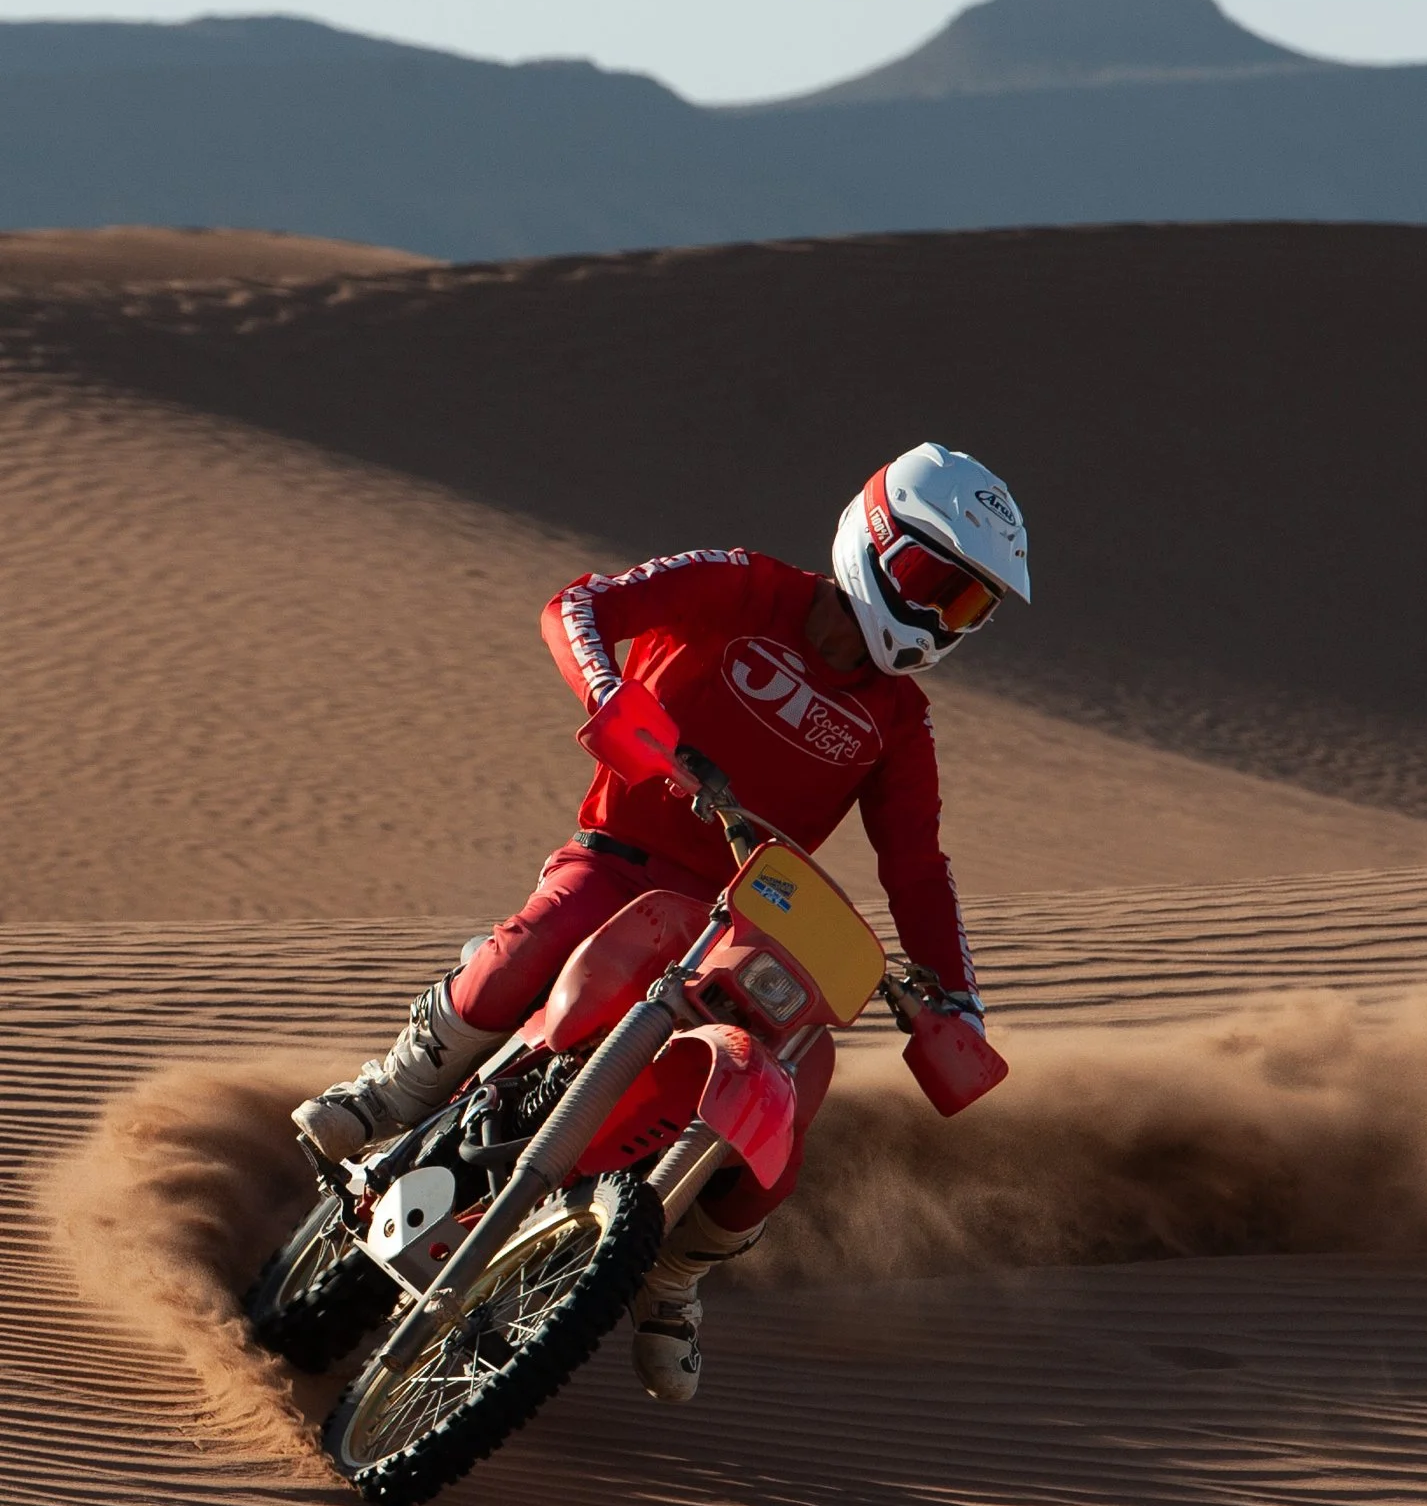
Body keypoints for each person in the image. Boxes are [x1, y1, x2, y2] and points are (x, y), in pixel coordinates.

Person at [293, 441, 1030, 1402]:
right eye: (935, 582)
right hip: (623, 856)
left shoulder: (899, 720)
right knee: (545, 938)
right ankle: (394, 1091)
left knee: (797, 1078)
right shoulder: (741, 585)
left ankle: (674, 1276)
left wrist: (957, 1002)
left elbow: (917, 868)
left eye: (967, 604)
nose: (939, 618)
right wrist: (607, 690)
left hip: (746, 910)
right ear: (876, 540)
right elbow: (580, 607)